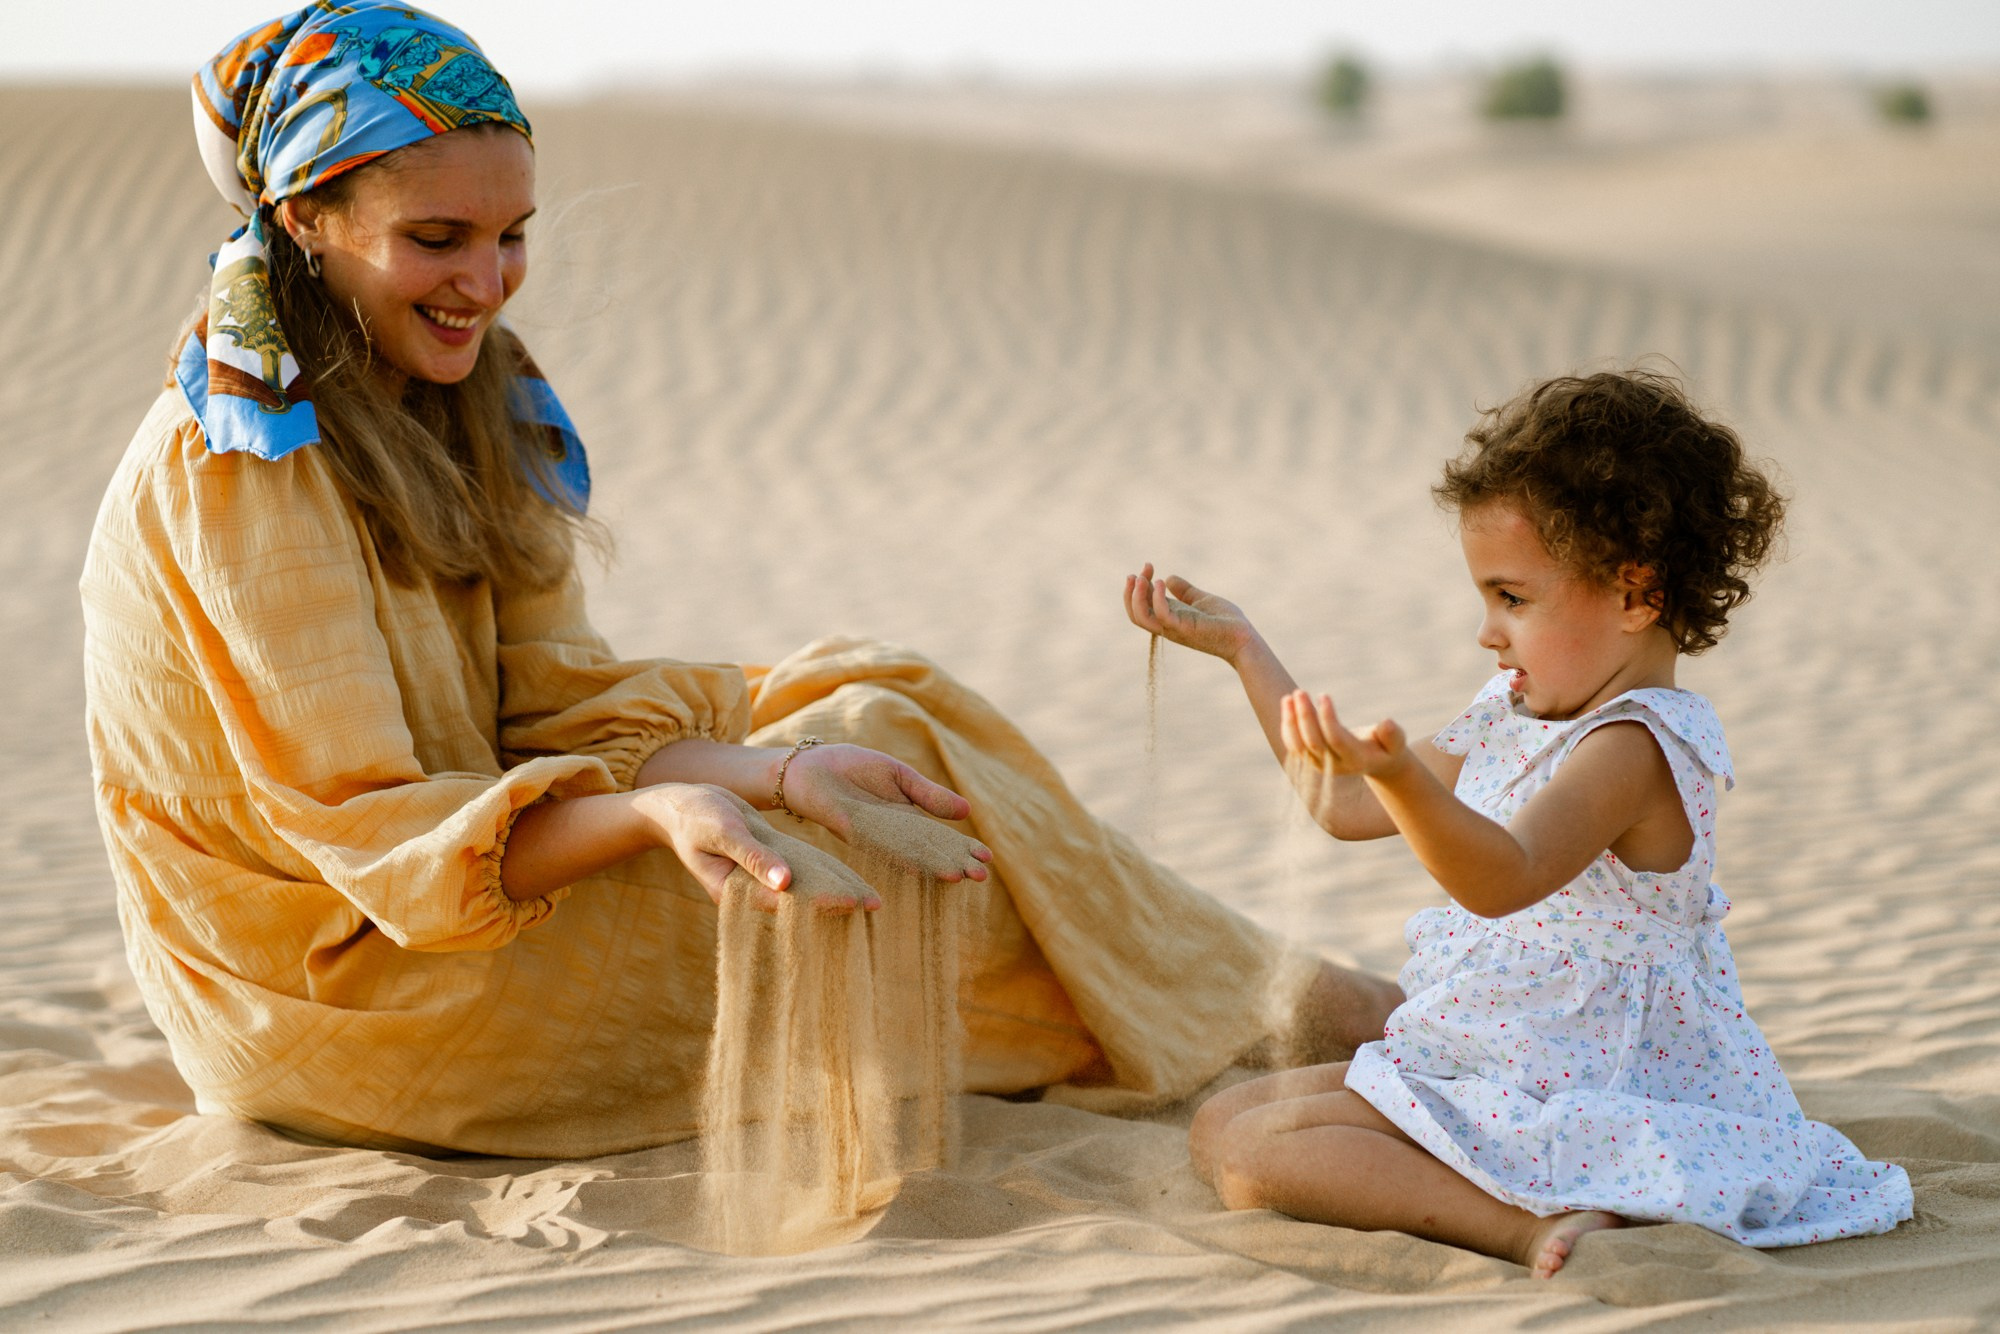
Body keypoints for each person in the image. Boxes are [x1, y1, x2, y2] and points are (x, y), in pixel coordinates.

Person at [81, 3, 1399, 1159]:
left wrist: (768, 771)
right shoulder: (242, 456)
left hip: (478, 884)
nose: (484, 284)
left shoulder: (465, 393)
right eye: (437, 237)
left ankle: (1298, 1012)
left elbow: (556, 711)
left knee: (874, 721)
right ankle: (1322, 1023)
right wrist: (665, 819)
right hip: (344, 994)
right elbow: (378, 834)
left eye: (511, 235)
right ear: (307, 219)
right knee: (863, 902)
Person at [1124, 370, 1913, 1276]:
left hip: (1586, 1076)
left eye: (1513, 598)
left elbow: (1503, 876)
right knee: (1225, 1123)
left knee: (1253, 1160)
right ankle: (1510, 1187)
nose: (1487, 633)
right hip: (1499, 1049)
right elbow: (1340, 804)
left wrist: (1405, 782)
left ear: (1635, 595)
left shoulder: (1637, 746)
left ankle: (1528, 1229)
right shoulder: (1513, 709)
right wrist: (1244, 651)